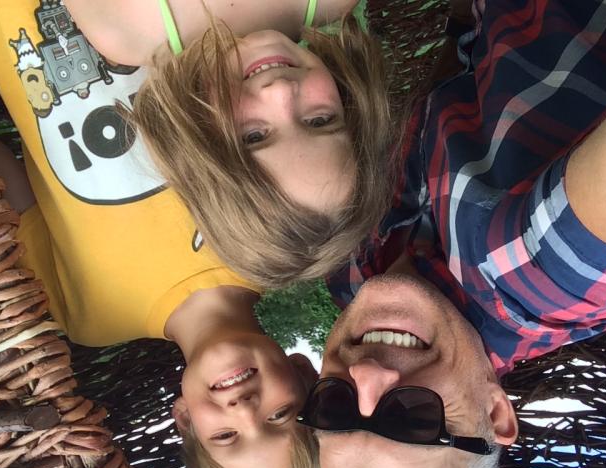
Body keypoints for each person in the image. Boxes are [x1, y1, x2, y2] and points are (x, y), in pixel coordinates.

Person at [310, 0, 606, 468]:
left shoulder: (350, 277)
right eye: (414, 420)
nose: (365, 376)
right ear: (495, 414)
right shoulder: (542, 278)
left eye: (334, 410)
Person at [0, 0, 320, 468]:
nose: (244, 410)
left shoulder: (87, 317)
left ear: (184, 420)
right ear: (302, 373)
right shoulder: (275, 234)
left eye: (226, 436)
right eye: (280, 415)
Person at [63, 0, 399, 288]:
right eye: (320, 120)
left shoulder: (124, 29)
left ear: (201, 143)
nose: (280, 92)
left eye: (254, 137)